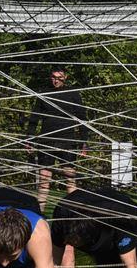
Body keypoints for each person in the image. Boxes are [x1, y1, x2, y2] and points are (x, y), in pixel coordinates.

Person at [24, 66, 89, 211]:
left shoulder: (73, 94)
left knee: (70, 178)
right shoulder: (44, 94)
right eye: (53, 77)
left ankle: (73, 214)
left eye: (59, 78)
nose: (56, 81)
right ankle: (40, 213)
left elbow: (82, 119)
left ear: (65, 77)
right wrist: (29, 138)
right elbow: (34, 118)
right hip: (46, 140)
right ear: (50, 77)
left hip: (67, 141)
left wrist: (84, 141)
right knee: (44, 180)